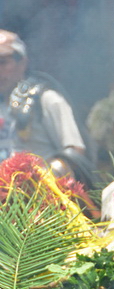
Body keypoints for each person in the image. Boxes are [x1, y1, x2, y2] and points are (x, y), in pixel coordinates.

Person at [0, 29, 91, 184]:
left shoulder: (46, 100)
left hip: (41, 197)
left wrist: (44, 179)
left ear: (22, 63)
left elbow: (74, 152)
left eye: (2, 62)